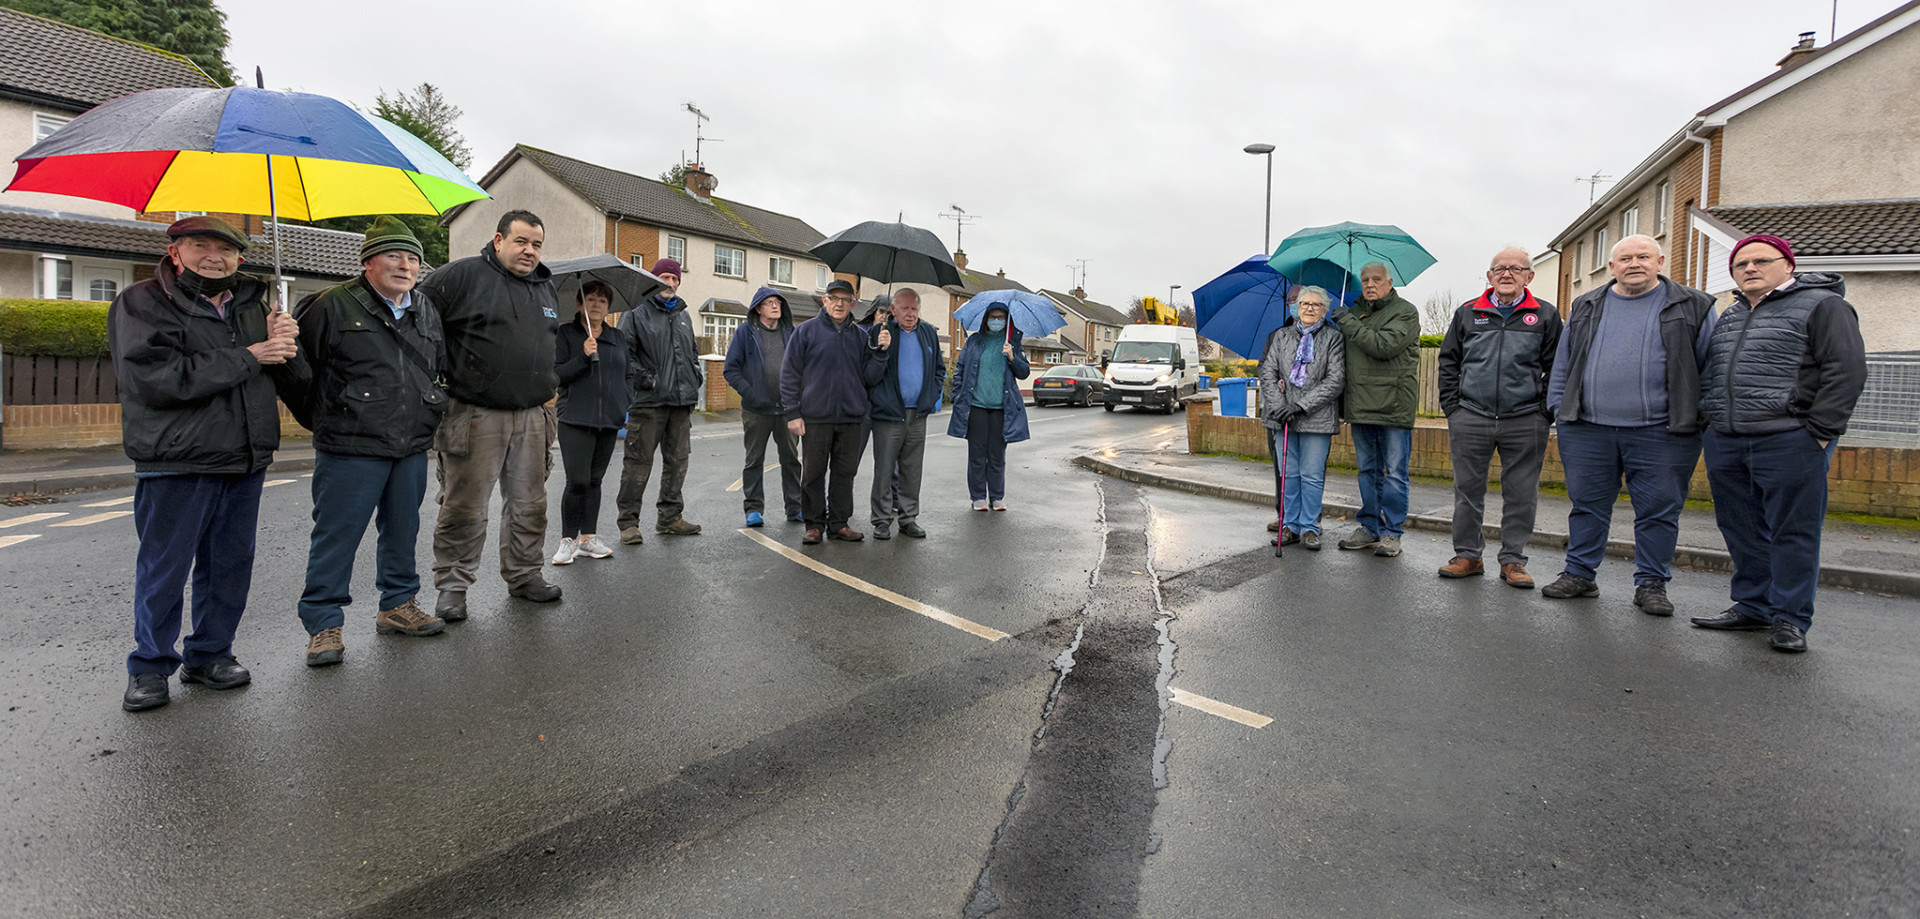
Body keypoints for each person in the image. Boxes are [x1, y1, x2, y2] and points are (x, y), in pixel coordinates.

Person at [111, 216, 309, 711]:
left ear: (240, 258)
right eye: (200, 245)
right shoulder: (141, 302)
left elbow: (290, 379)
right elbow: (155, 380)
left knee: (229, 567)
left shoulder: (254, 306)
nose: (214, 257)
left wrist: (287, 341)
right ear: (175, 253)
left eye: (226, 249)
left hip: (244, 458)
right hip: (177, 459)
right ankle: (150, 665)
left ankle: (211, 654)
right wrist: (251, 354)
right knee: (164, 568)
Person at [1692, 235, 1866, 653]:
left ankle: (1791, 618)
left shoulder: (1824, 305)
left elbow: (1846, 370)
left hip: (1789, 439)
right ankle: (1753, 606)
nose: (1750, 268)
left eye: (1761, 261)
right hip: (1727, 439)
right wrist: (1709, 422)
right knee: (1741, 528)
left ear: (1788, 265)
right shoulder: (1732, 314)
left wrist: (1819, 432)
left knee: (1793, 532)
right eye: (1741, 264)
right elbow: (1713, 372)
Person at [290, 215, 448, 669]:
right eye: (393, 256)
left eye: (412, 258)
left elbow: (436, 364)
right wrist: (328, 420)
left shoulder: (425, 308)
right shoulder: (330, 305)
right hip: (350, 446)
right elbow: (300, 376)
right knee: (336, 536)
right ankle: (323, 623)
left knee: (403, 529)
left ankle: (398, 605)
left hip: (410, 444)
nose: (405, 265)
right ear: (368, 262)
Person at [1544, 234, 1716, 616]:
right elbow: (1564, 362)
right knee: (1587, 506)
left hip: (1664, 432)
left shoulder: (1693, 306)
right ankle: (1579, 573)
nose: (1634, 263)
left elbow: (1710, 367)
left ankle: (1651, 584)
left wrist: (1698, 417)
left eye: (1643, 256)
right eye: (1625, 258)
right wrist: (1559, 408)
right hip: (1587, 429)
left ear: (1660, 262)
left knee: (1658, 511)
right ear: (1612, 267)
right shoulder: (1586, 304)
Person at [418, 209, 563, 622]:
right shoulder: (460, 277)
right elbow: (419, 327)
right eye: (521, 241)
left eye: (536, 244)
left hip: (532, 415)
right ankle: (453, 586)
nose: (530, 251)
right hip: (475, 414)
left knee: (529, 504)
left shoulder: (546, 287)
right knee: (464, 506)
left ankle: (525, 574)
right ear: (498, 241)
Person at [1435, 248, 1562, 588]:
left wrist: (1544, 412)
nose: (1507, 274)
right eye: (1500, 268)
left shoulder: (1546, 315)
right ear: (1489, 276)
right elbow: (1449, 362)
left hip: (1525, 419)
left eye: (1516, 268)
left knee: (1521, 493)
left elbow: (1557, 368)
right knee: (1467, 491)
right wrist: (1454, 409)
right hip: (1471, 416)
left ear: (1528, 276)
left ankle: (1513, 560)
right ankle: (1468, 555)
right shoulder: (1467, 313)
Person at [782, 279, 886, 544]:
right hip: (815, 416)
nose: (840, 304)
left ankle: (839, 523)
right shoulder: (805, 331)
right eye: (834, 298)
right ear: (825, 300)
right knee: (813, 474)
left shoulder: (860, 337)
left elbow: (870, 378)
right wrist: (792, 413)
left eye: (845, 299)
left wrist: (881, 353)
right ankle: (814, 525)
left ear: (853, 303)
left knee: (845, 473)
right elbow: (790, 373)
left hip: (851, 418)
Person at [1335, 261, 1421, 558]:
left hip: (1394, 405)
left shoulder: (1405, 312)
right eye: (1365, 280)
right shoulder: (1355, 311)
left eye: (1376, 279)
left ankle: (1391, 532)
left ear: (1389, 282)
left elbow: (1384, 346)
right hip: (1360, 404)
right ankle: (1370, 526)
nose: (1370, 285)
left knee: (1395, 472)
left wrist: (1347, 322)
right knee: (1367, 471)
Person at [614, 258, 703, 542]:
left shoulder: (683, 314)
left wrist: (696, 377)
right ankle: (628, 522)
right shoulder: (636, 311)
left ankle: (670, 518)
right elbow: (623, 353)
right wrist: (647, 380)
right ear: (654, 279)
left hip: (681, 402)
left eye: (675, 279)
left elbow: (691, 353)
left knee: (678, 463)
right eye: (665, 277)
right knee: (637, 464)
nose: (671, 283)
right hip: (648, 402)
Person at [1256, 285, 1345, 551]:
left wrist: (1300, 406)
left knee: (1312, 475)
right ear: (1297, 307)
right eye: (1305, 303)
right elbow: (1268, 372)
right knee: (1289, 475)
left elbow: (1335, 380)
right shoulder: (1281, 336)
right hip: (1282, 417)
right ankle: (1290, 526)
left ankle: (1309, 527)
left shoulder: (1333, 338)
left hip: (1316, 418)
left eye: (1316, 305)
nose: (1309, 308)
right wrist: (1280, 406)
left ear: (1324, 311)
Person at [551, 280, 632, 565]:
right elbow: (557, 375)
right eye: (591, 299)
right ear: (579, 304)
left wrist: (624, 401)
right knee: (577, 481)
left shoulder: (616, 337)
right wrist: (583, 356)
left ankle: (588, 539)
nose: (596, 305)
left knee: (595, 481)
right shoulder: (566, 334)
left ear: (608, 308)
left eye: (602, 301)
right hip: (575, 418)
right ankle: (567, 540)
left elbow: (627, 373)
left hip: (608, 419)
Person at [867, 287, 945, 539]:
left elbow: (939, 370)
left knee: (912, 470)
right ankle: (881, 520)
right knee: (884, 469)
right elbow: (869, 375)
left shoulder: (928, 333)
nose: (910, 314)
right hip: (889, 414)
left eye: (914, 308)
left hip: (918, 414)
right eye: (904, 308)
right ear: (893, 309)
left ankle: (908, 518)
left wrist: (931, 396)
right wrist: (881, 350)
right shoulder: (879, 332)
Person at [722, 286, 801, 527]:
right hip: (756, 410)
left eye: (778, 302)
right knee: (754, 461)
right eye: (769, 303)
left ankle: (795, 507)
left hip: (787, 410)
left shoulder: (791, 332)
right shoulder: (745, 333)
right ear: (758, 309)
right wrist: (751, 394)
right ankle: (753, 509)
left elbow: (802, 367)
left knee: (791, 460)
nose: (775, 306)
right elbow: (731, 369)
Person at [948, 305, 1031, 511]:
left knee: (997, 455)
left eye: (1001, 317)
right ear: (986, 319)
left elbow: (1024, 373)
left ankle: (996, 497)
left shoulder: (1012, 343)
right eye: (993, 316)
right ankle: (978, 497)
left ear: (1007, 320)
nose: (996, 320)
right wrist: (957, 395)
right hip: (976, 406)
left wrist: (1013, 357)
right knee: (977, 454)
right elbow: (960, 368)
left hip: (1001, 409)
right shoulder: (974, 341)